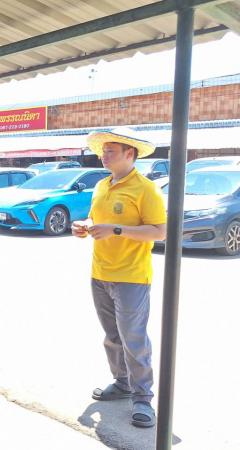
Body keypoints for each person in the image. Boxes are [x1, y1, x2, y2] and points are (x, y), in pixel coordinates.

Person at [72, 128, 167, 429]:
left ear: (129, 153)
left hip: (131, 276)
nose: (104, 155)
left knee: (133, 338)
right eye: (103, 151)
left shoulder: (146, 189)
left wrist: (116, 230)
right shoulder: (102, 185)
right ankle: (122, 383)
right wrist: (85, 225)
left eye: (110, 150)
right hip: (100, 273)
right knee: (112, 337)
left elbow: (159, 231)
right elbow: (96, 219)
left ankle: (143, 398)